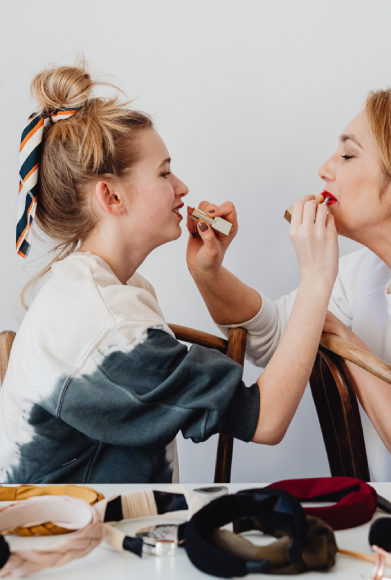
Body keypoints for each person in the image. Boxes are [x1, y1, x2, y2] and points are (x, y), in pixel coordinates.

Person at [0, 61, 338, 483]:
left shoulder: (113, 291)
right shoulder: (109, 324)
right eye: (164, 172)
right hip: (75, 524)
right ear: (112, 197)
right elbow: (265, 419)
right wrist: (316, 279)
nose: (182, 188)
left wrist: (206, 270)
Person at [187, 77, 391, 482]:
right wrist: (208, 271)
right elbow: (275, 340)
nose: (324, 169)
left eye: (347, 155)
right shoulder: (369, 271)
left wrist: (350, 348)